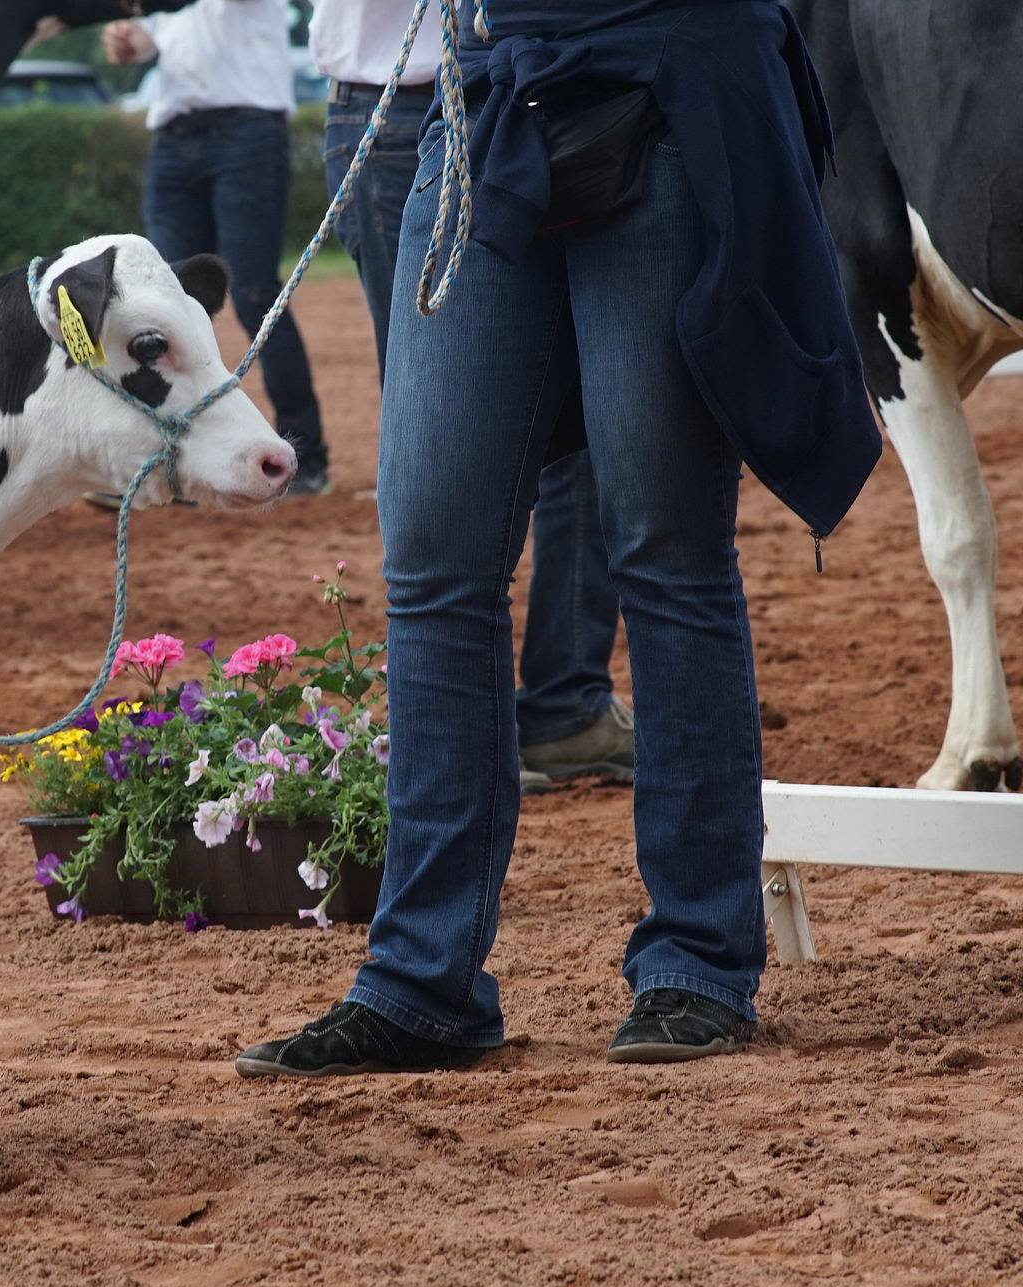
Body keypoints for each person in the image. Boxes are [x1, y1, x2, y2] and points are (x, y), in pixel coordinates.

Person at [236, 0, 880, 1073]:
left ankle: (696, 958)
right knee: (433, 557)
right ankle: (418, 978)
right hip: (483, 92)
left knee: (663, 551)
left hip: (662, 85)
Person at [311, 0, 632, 795]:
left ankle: (563, 705)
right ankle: (472, 735)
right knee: (447, 459)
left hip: (537, 87)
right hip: (411, 103)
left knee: (584, 430)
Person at [100, 0, 330, 495]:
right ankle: (165, 461)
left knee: (252, 292)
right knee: (160, 305)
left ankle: (307, 452)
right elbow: (148, 39)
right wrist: (130, 40)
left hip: (248, 132)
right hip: (174, 136)